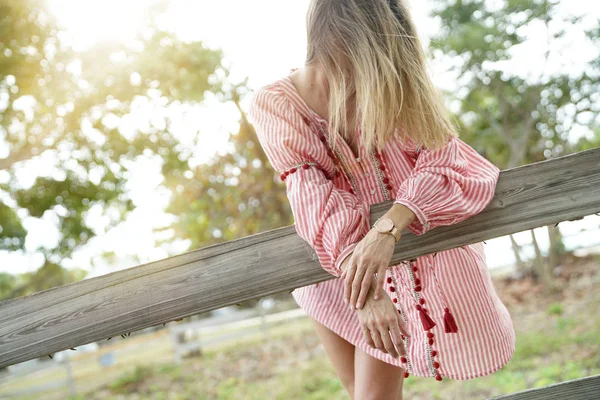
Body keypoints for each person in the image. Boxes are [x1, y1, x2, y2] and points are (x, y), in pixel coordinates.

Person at [248, 0, 515, 398]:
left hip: (403, 262)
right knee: (360, 391)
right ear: (339, 38)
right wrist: (369, 292)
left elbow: (452, 162)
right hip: (336, 267)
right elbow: (312, 194)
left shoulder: (393, 90)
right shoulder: (275, 103)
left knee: (372, 397)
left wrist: (388, 230)